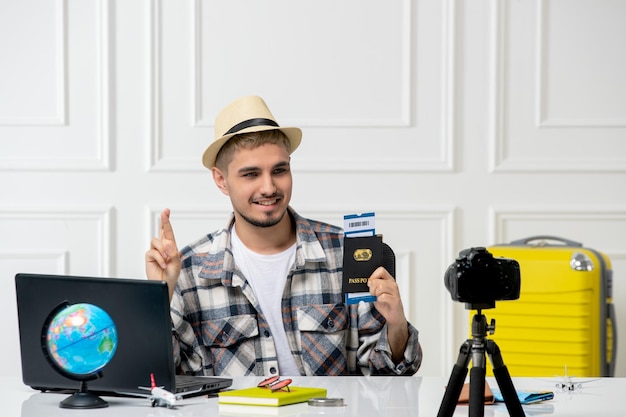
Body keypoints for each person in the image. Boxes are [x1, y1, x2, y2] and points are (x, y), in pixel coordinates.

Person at [145, 95, 422, 377]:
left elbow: (386, 379)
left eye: (279, 170)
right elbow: (161, 379)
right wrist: (158, 298)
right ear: (221, 180)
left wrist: (396, 325)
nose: (269, 187)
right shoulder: (189, 272)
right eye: (251, 174)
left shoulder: (345, 252)